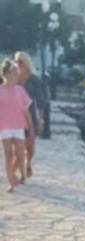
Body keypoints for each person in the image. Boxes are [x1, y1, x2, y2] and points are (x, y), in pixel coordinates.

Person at [0, 60, 33, 192]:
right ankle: (11, 183)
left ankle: (15, 174)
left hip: (19, 125)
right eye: (14, 72)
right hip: (5, 126)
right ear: (7, 74)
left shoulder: (20, 90)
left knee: (20, 155)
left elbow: (26, 110)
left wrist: (31, 127)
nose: (17, 74)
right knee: (8, 155)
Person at [14, 52, 48, 176]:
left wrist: (41, 119)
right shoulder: (13, 78)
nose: (19, 65)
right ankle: (17, 171)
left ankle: (28, 163)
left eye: (21, 62)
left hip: (30, 114)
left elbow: (40, 100)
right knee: (18, 146)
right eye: (17, 62)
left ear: (26, 64)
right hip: (15, 114)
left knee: (30, 144)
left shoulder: (34, 80)